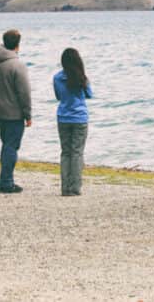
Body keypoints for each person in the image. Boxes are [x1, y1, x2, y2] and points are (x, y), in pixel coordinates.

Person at [0, 29, 32, 194]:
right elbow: (24, 93)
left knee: (6, 144)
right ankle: (6, 182)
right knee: (11, 146)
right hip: (14, 112)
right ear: (18, 45)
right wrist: (28, 115)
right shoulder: (17, 65)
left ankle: (6, 180)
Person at [53, 48, 92, 196]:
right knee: (77, 152)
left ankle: (65, 188)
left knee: (65, 152)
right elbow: (89, 94)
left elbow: (58, 96)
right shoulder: (82, 77)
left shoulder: (57, 78)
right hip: (80, 118)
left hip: (63, 117)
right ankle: (75, 187)